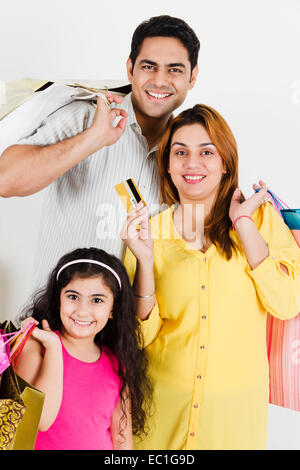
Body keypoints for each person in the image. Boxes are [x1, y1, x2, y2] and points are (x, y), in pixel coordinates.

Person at [121, 104, 300, 450]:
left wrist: (243, 225)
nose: (192, 163)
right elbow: (137, 338)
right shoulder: (148, 233)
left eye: (207, 152)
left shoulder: (261, 221)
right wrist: (144, 260)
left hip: (233, 426)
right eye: (181, 152)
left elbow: (286, 302)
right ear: (168, 165)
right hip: (160, 422)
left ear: (225, 163)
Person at [0, 15, 200, 291]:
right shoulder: (85, 117)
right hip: (57, 327)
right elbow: (6, 181)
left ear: (193, 76)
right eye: (149, 66)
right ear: (130, 69)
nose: (159, 80)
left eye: (174, 70)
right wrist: (93, 139)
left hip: (137, 330)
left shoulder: (192, 156)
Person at [15, 247, 152, 450]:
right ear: (58, 300)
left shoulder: (117, 363)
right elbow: (39, 419)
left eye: (97, 300)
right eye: (73, 297)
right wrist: (53, 348)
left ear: (113, 309)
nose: (82, 311)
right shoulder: (35, 347)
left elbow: (122, 441)